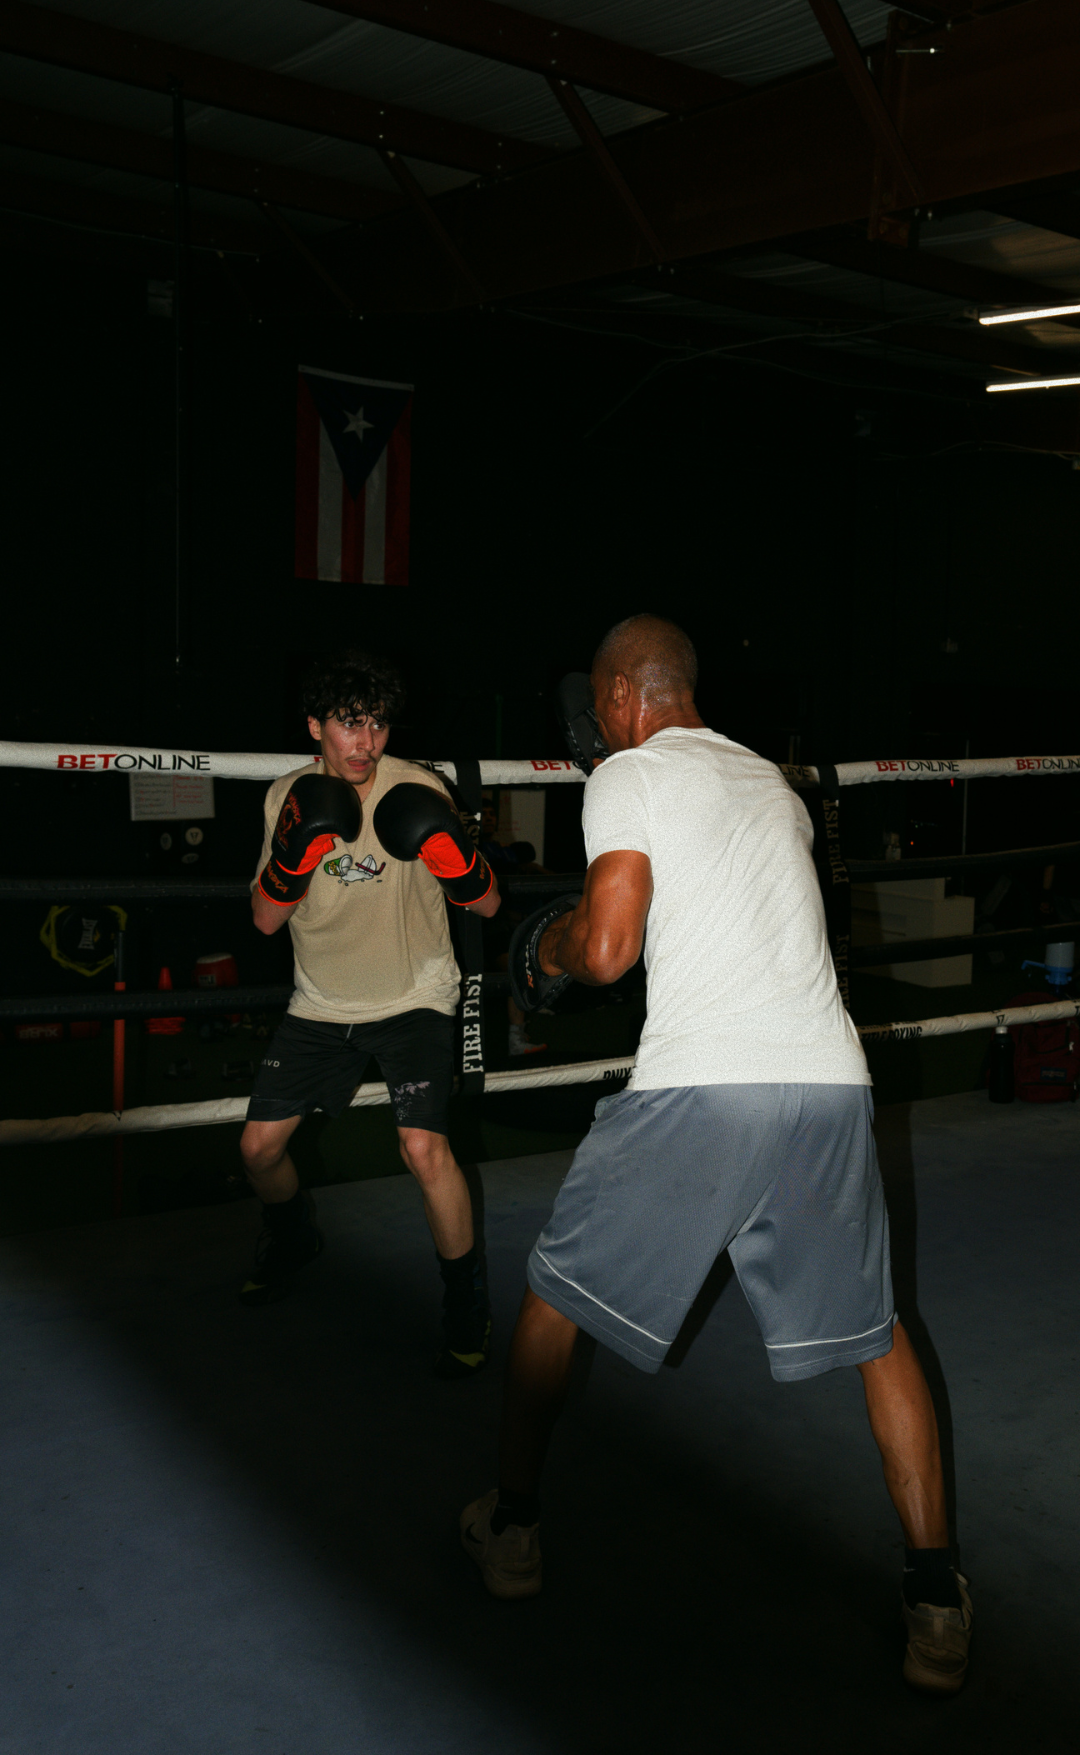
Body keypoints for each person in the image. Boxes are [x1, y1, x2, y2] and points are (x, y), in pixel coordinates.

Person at [461, 614, 973, 1694]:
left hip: (706, 1084)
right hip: (830, 1082)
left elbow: (609, 950)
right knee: (879, 1333)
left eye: (599, 708)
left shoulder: (630, 774)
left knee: (552, 1298)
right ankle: (936, 1598)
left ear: (620, 696)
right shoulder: (773, 784)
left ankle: (510, 1526)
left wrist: (548, 948)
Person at [240, 648, 501, 1378]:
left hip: (415, 994)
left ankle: (466, 1301)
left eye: (378, 724)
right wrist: (292, 858)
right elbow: (264, 920)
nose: (367, 743)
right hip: (322, 1002)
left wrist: (457, 860)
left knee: (423, 1150)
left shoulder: (418, 788)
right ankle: (294, 1237)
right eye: (349, 725)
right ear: (315, 727)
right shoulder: (287, 798)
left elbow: (487, 904)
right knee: (258, 1151)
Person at [479, 792, 547, 1060]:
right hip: (478, 929)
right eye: (483, 815)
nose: (489, 819)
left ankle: (519, 1034)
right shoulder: (471, 849)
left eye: (492, 814)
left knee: (521, 965)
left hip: (500, 926)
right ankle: (515, 1038)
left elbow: (525, 857)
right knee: (515, 968)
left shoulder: (501, 848)